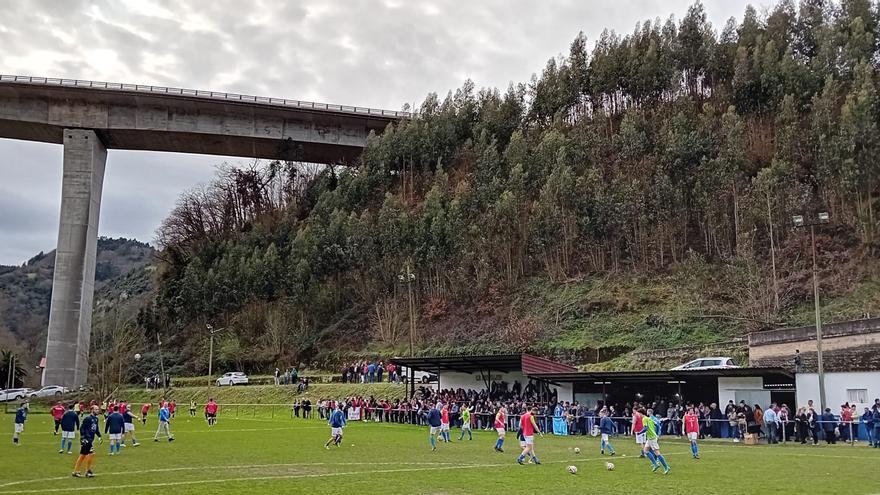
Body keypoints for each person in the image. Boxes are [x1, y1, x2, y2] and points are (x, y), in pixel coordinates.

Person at [73, 405, 102, 478]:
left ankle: (81, 471)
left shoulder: (96, 419)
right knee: (87, 454)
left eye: (98, 409)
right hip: (86, 439)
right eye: (96, 409)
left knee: (84, 455)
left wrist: (99, 436)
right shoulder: (88, 419)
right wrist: (83, 438)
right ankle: (84, 471)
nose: (97, 411)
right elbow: (82, 428)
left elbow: (96, 428)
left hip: (90, 439)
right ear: (92, 410)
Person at [640, 408, 670, 474]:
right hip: (650, 437)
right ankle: (655, 464)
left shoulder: (645, 419)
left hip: (652, 438)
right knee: (645, 451)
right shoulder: (649, 418)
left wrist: (639, 432)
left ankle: (666, 467)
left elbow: (646, 428)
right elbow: (657, 425)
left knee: (657, 453)